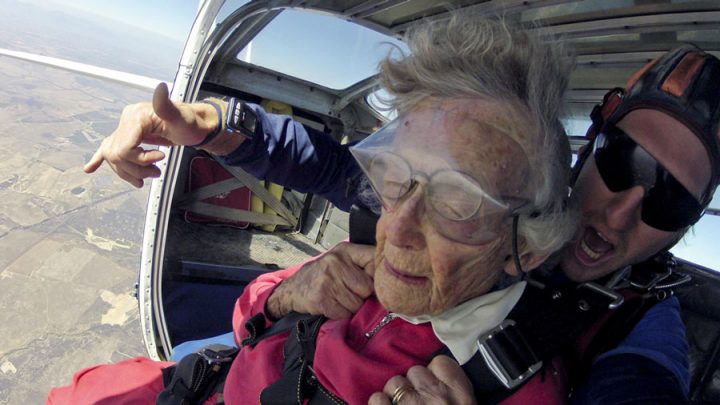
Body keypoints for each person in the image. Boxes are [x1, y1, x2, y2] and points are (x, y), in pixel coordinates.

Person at [79, 27, 719, 405]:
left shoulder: (640, 326)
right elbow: (333, 168)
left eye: (670, 200)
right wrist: (208, 124)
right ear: (592, 148)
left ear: (520, 239)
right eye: (627, 164)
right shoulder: (425, 208)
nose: (626, 207)